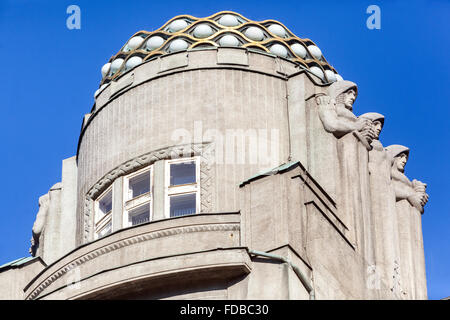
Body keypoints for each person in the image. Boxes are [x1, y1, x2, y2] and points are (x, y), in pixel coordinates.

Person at [385, 144, 429, 299]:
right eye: (401, 157)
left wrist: (418, 194)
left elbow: (414, 200)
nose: (404, 160)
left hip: (409, 228)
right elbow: (387, 189)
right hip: (397, 224)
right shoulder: (387, 174)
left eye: (406, 158)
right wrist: (411, 194)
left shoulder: (405, 180)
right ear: (394, 157)